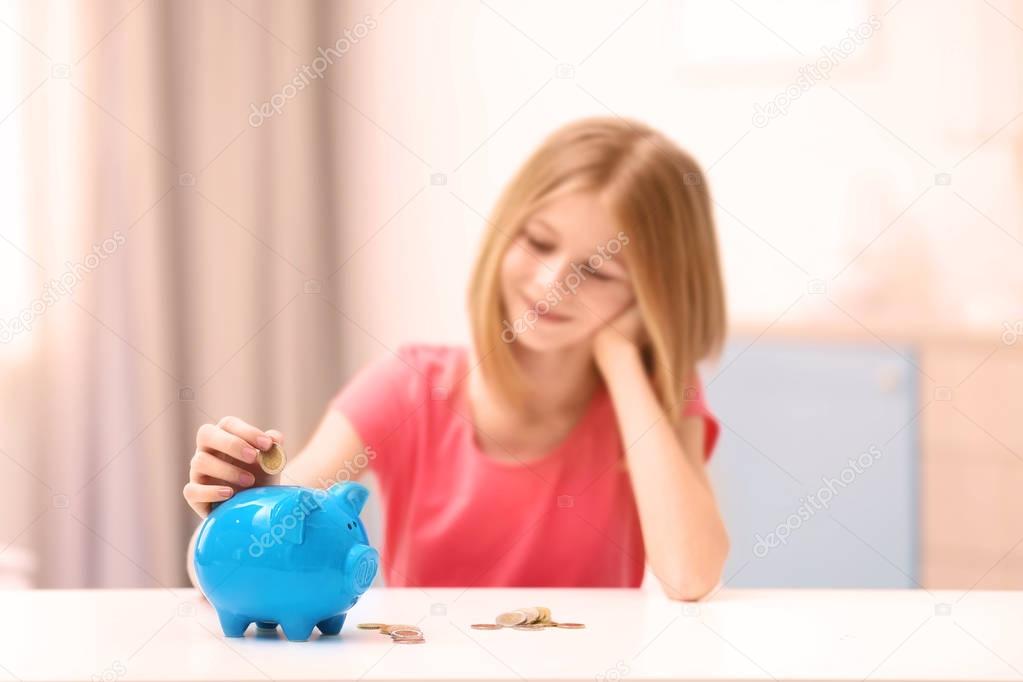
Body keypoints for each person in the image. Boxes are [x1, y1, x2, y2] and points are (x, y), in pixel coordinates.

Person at [184, 116, 730, 600]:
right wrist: (241, 515)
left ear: (649, 298)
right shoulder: (409, 386)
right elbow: (232, 573)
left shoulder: (653, 398)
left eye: (598, 271)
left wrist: (622, 358)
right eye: (539, 243)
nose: (551, 284)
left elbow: (689, 574)